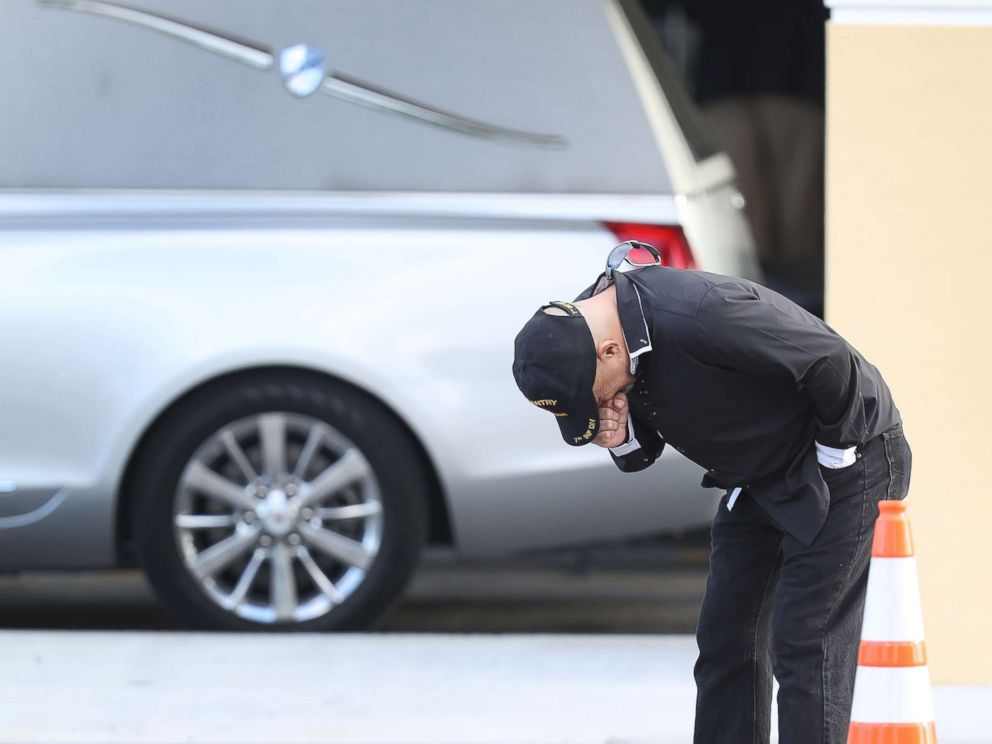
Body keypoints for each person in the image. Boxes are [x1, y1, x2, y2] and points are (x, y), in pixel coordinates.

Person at [511, 242, 912, 744]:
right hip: (759, 473)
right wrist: (619, 434)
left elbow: (834, 365)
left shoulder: (702, 315)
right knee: (728, 638)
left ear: (609, 350)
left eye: (597, 395)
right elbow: (642, 447)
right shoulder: (586, 329)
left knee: (808, 641)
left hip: (850, 457)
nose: (602, 404)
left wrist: (832, 458)